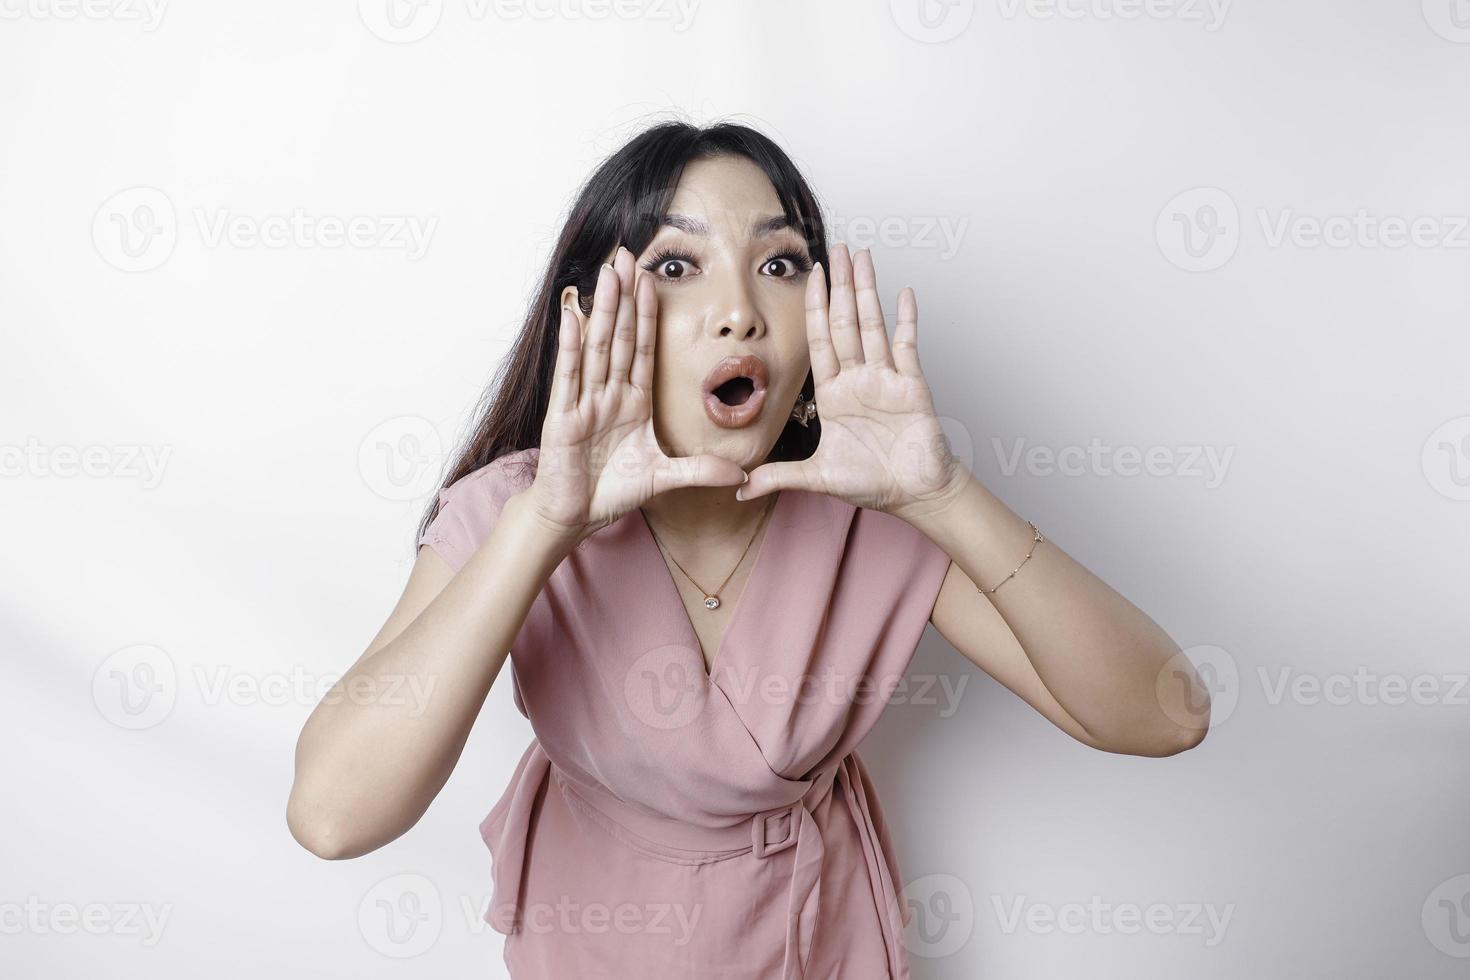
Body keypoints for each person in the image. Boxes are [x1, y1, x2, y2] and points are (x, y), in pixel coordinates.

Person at [287, 119, 1210, 978]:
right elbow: (332, 816)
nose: (739, 311)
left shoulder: (876, 514)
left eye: (779, 262)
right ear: (589, 315)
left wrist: (943, 495)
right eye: (677, 266)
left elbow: (1165, 716)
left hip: (821, 941)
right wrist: (546, 524)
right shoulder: (514, 513)